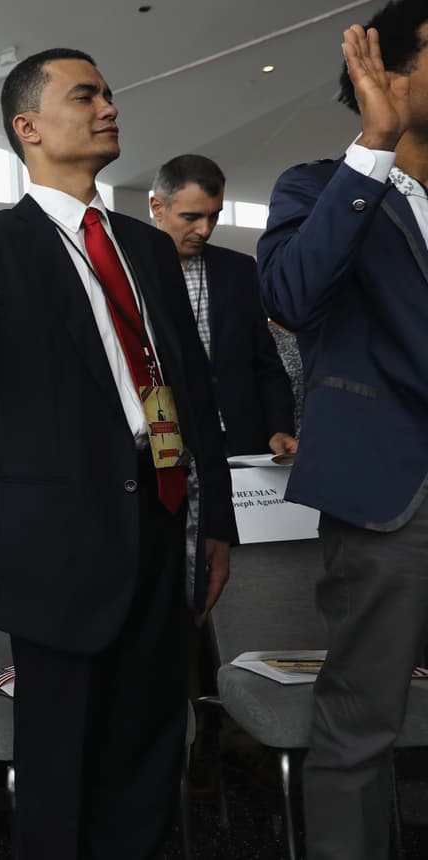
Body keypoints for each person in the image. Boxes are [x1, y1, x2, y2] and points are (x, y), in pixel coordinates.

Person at [0, 50, 235, 857]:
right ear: (28, 127)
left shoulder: (146, 248)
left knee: (153, 756)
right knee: (62, 771)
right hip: (60, 545)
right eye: (85, 95)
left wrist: (214, 518)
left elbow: (190, 393)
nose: (109, 105)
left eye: (110, 93)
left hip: (160, 526)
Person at [257, 6, 428, 857]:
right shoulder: (318, 187)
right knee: (362, 723)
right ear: (388, 71)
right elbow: (290, 295)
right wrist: (375, 146)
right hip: (392, 494)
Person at [149, 155, 296, 455]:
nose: (205, 229)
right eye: (191, 217)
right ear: (157, 208)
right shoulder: (130, 271)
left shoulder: (240, 270)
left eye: (214, 216)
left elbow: (267, 365)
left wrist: (279, 427)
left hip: (244, 442)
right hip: (169, 446)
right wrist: (165, 451)